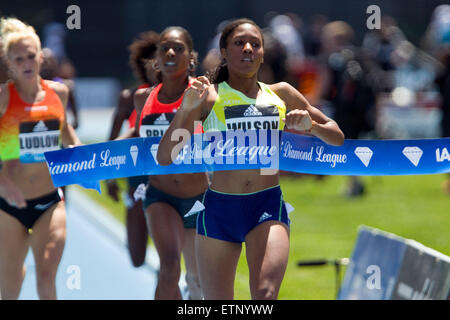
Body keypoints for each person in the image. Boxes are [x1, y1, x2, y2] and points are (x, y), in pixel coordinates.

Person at [157, 18, 344, 300]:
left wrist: (312, 127)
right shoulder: (209, 96)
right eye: (239, 43)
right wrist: (185, 110)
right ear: (223, 51)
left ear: (262, 53)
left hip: (266, 206)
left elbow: (337, 137)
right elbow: (165, 157)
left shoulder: (281, 93)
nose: (247, 48)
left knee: (265, 296)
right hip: (219, 210)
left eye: (255, 44)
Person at [0, 17, 81, 299]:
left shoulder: (58, 92)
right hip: (9, 206)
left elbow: (67, 132)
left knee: (46, 275)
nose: (26, 63)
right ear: (9, 63)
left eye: (31, 56)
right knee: (9, 288)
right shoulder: (3, 98)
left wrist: (88, 159)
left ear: (41, 57)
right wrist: (4, 182)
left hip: (50, 200)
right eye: (18, 58)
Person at [131, 26, 207, 299]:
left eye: (178, 48)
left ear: (191, 57)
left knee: (198, 279)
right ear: (157, 58)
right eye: (164, 48)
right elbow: (135, 140)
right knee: (169, 268)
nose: (171, 52)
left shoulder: (205, 96)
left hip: (200, 198)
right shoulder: (143, 99)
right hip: (160, 196)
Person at [106, 31, 159, 268]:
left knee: (168, 255)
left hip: (172, 179)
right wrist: (109, 178)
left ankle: (172, 282)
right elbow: (112, 139)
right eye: (152, 62)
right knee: (137, 257)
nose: (158, 67)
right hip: (137, 178)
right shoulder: (131, 98)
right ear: (143, 65)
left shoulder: (187, 97)